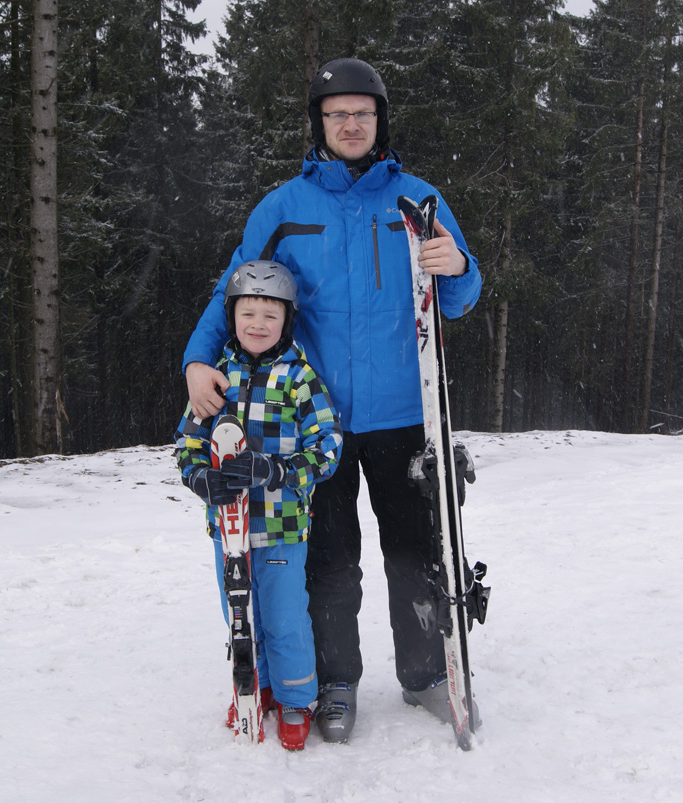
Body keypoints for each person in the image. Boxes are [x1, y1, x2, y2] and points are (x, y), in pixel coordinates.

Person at [181, 57, 482, 743]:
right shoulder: (284, 209)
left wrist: (460, 267)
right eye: (337, 114)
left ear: (380, 121)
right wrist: (198, 360)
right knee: (329, 559)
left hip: (406, 414)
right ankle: (335, 680)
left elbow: (459, 299)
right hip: (313, 422)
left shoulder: (418, 201)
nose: (350, 124)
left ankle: (426, 675)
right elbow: (236, 289)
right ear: (318, 123)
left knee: (415, 554)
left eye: (362, 113)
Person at [176, 260, 343, 750]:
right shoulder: (216, 377)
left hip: (282, 527)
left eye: (270, 315)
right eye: (247, 313)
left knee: (284, 618)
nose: (257, 324)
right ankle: (256, 686)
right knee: (241, 616)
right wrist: (200, 476)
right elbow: (188, 442)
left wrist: (276, 470)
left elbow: (328, 447)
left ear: (287, 321)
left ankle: (296, 699)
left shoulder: (299, 378)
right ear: (231, 317)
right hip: (228, 530)